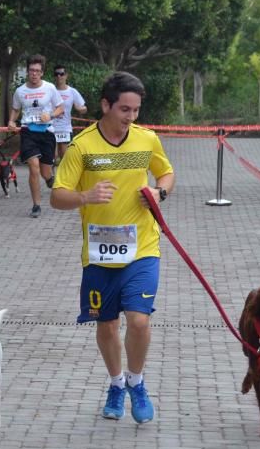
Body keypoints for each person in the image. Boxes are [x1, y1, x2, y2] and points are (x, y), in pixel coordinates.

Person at [50, 71, 175, 424]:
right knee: (106, 326)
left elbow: (166, 174)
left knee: (138, 321)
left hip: (143, 246)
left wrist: (159, 193)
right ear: (105, 105)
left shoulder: (147, 140)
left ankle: (137, 383)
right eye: (124, 109)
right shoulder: (82, 146)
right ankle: (116, 384)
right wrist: (85, 196)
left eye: (136, 110)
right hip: (100, 253)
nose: (131, 117)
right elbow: (57, 197)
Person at [8, 54, 64, 218]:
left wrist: (51, 115)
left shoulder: (50, 88)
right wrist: (11, 121)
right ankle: (36, 205)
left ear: (42, 72)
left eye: (37, 71)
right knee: (33, 166)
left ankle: (49, 178)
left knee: (45, 173)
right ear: (27, 71)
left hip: (47, 132)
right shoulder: (20, 91)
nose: (34, 74)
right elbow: (16, 109)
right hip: (28, 132)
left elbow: (61, 108)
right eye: (31, 70)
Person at [51, 64, 87, 164]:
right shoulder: (50, 90)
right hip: (50, 128)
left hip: (65, 128)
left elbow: (84, 108)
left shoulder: (72, 91)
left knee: (65, 158)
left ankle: (63, 178)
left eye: (61, 74)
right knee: (51, 157)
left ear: (66, 75)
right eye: (56, 74)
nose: (59, 76)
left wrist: (80, 109)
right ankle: (52, 179)